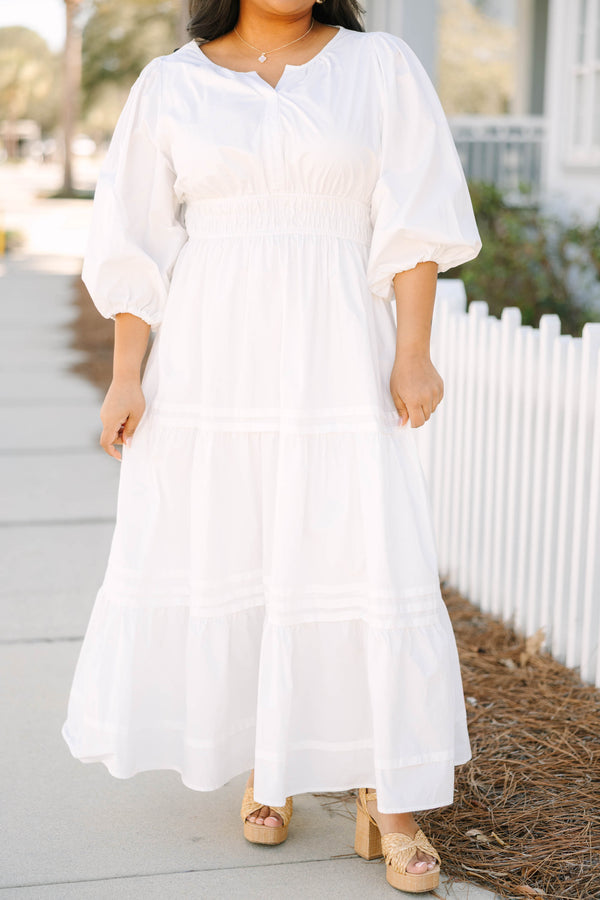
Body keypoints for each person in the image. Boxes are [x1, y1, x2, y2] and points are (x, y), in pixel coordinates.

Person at [61, 0, 482, 892]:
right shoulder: (171, 83)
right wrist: (127, 374)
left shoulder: (380, 69)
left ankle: (392, 797)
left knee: (360, 551)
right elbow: (135, 239)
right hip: (212, 358)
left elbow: (412, 219)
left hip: (338, 346)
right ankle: (270, 759)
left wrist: (414, 352)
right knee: (239, 544)